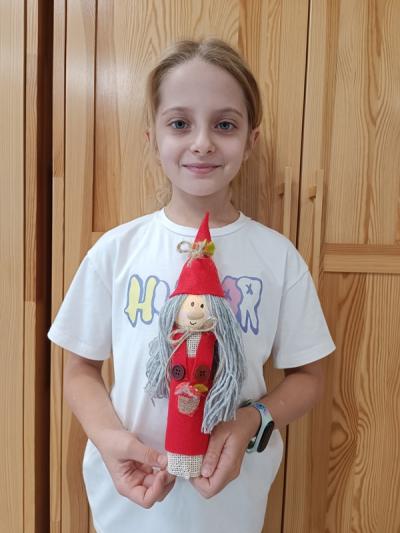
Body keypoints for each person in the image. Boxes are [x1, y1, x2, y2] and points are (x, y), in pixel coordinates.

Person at [48, 38, 336, 533]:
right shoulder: (117, 252)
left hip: (231, 503)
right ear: (152, 137)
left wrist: (252, 419)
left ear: (251, 140)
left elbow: (309, 376)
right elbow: (79, 369)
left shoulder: (278, 258)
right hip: (129, 502)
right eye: (180, 123)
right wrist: (110, 440)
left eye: (225, 125)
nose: (202, 142)